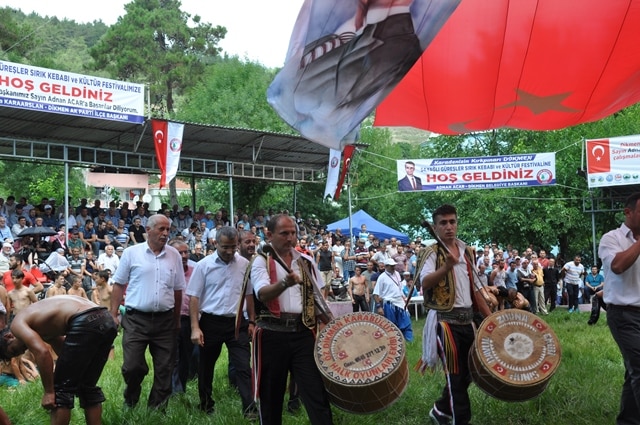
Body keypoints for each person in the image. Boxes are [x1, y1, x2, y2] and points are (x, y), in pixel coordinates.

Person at [250, 214, 333, 425]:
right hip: (271, 334)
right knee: (271, 396)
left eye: (293, 233)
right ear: (268, 235)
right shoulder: (260, 261)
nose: (290, 238)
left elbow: (316, 299)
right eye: (284, 233)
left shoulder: (304, 261)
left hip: (302, 333)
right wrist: (284, 284)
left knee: (316, 392)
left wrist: (335, 326)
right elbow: (262, 294)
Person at [420, 204, 492, 425]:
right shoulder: (431, 252)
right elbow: (425, 283)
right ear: (435, 226)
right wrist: (447, 267)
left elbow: (473, 287)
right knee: (455, 376)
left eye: (452, 222)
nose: (449, 227)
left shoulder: (466, 250)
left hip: (468, 320)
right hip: (445, 323)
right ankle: (461, 420)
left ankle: (441, 410)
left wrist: (490, 318)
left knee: (472, 371)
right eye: (443, 223)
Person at [0, 296, 117, 425]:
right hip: (106, 320)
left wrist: (49, 392)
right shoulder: (43, 324)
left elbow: (43, 352)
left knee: (60, 391)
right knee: (87, 386)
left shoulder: (17, 324)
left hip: (85, 320)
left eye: (14, 351)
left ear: (8, 336)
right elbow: (65, 352)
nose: (21, 352)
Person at [109, 214, 186, 409]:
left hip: (165, 320)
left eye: (168, 229)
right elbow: (119, 285)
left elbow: (178, 290)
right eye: (161, 229)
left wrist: (176, 319)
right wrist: (113, 314)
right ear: (148, 230)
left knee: (165, 367)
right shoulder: (131, 253)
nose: (166, 233)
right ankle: (131, 397)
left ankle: (157, 409)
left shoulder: (174, 255)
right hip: (136, 319)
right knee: (132, 366)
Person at [187, 227, 256, 418]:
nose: (229, 251)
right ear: (215, 243)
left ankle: (250, 409)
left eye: (233, 247)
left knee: (243, 367)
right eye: (225, 247)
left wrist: (252, 321)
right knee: (206, 367)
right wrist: (195, 327)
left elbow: (248, 294)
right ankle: (206, 404)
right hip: (211, 323)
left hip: (237, 324)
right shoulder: (203, 265)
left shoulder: (244, 264)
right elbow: (194, 297)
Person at [598, 192, 640, 424]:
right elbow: (618, 266)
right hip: (624, 314)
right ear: (628, 212)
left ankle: (628, 421)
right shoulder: (611, 238)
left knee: (634, 371)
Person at [167, 239, 197, 396]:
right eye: (180, 253)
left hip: (188, 320)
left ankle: (181, 387)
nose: (184, 255)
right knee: (172, 356)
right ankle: (173, 390)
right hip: (168, 320)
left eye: (186, 252)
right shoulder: (165, 269)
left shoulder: (196, 269)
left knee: (186, 357)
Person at [373, 258, 413, 341]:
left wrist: (404, 298)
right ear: (386, 266)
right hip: (389, 303)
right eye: (391, 266)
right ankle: (395, 341)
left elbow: (399, 288)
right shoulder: (382, 277)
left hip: (400, 301)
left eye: (394, 265)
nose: (393, 267)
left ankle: (409, 340)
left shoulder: (397, 274)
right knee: (392, 324)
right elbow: (376, 294)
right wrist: (379, 307)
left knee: (406, 321)